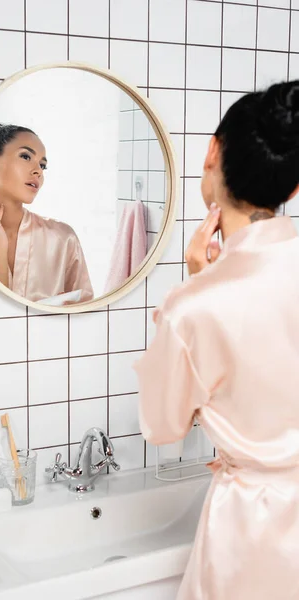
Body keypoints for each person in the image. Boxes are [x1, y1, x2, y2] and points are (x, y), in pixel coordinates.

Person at [134, 80, 299, 599]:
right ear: (293, 189)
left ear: (213, 151)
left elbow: (162, 426)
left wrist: (197, 283)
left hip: (254, 536)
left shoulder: (195, 306)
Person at [0, 122, 94, 304]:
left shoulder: (63, 238)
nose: (38, 171)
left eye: (43, 165)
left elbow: (84, 312)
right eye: (26, 156)